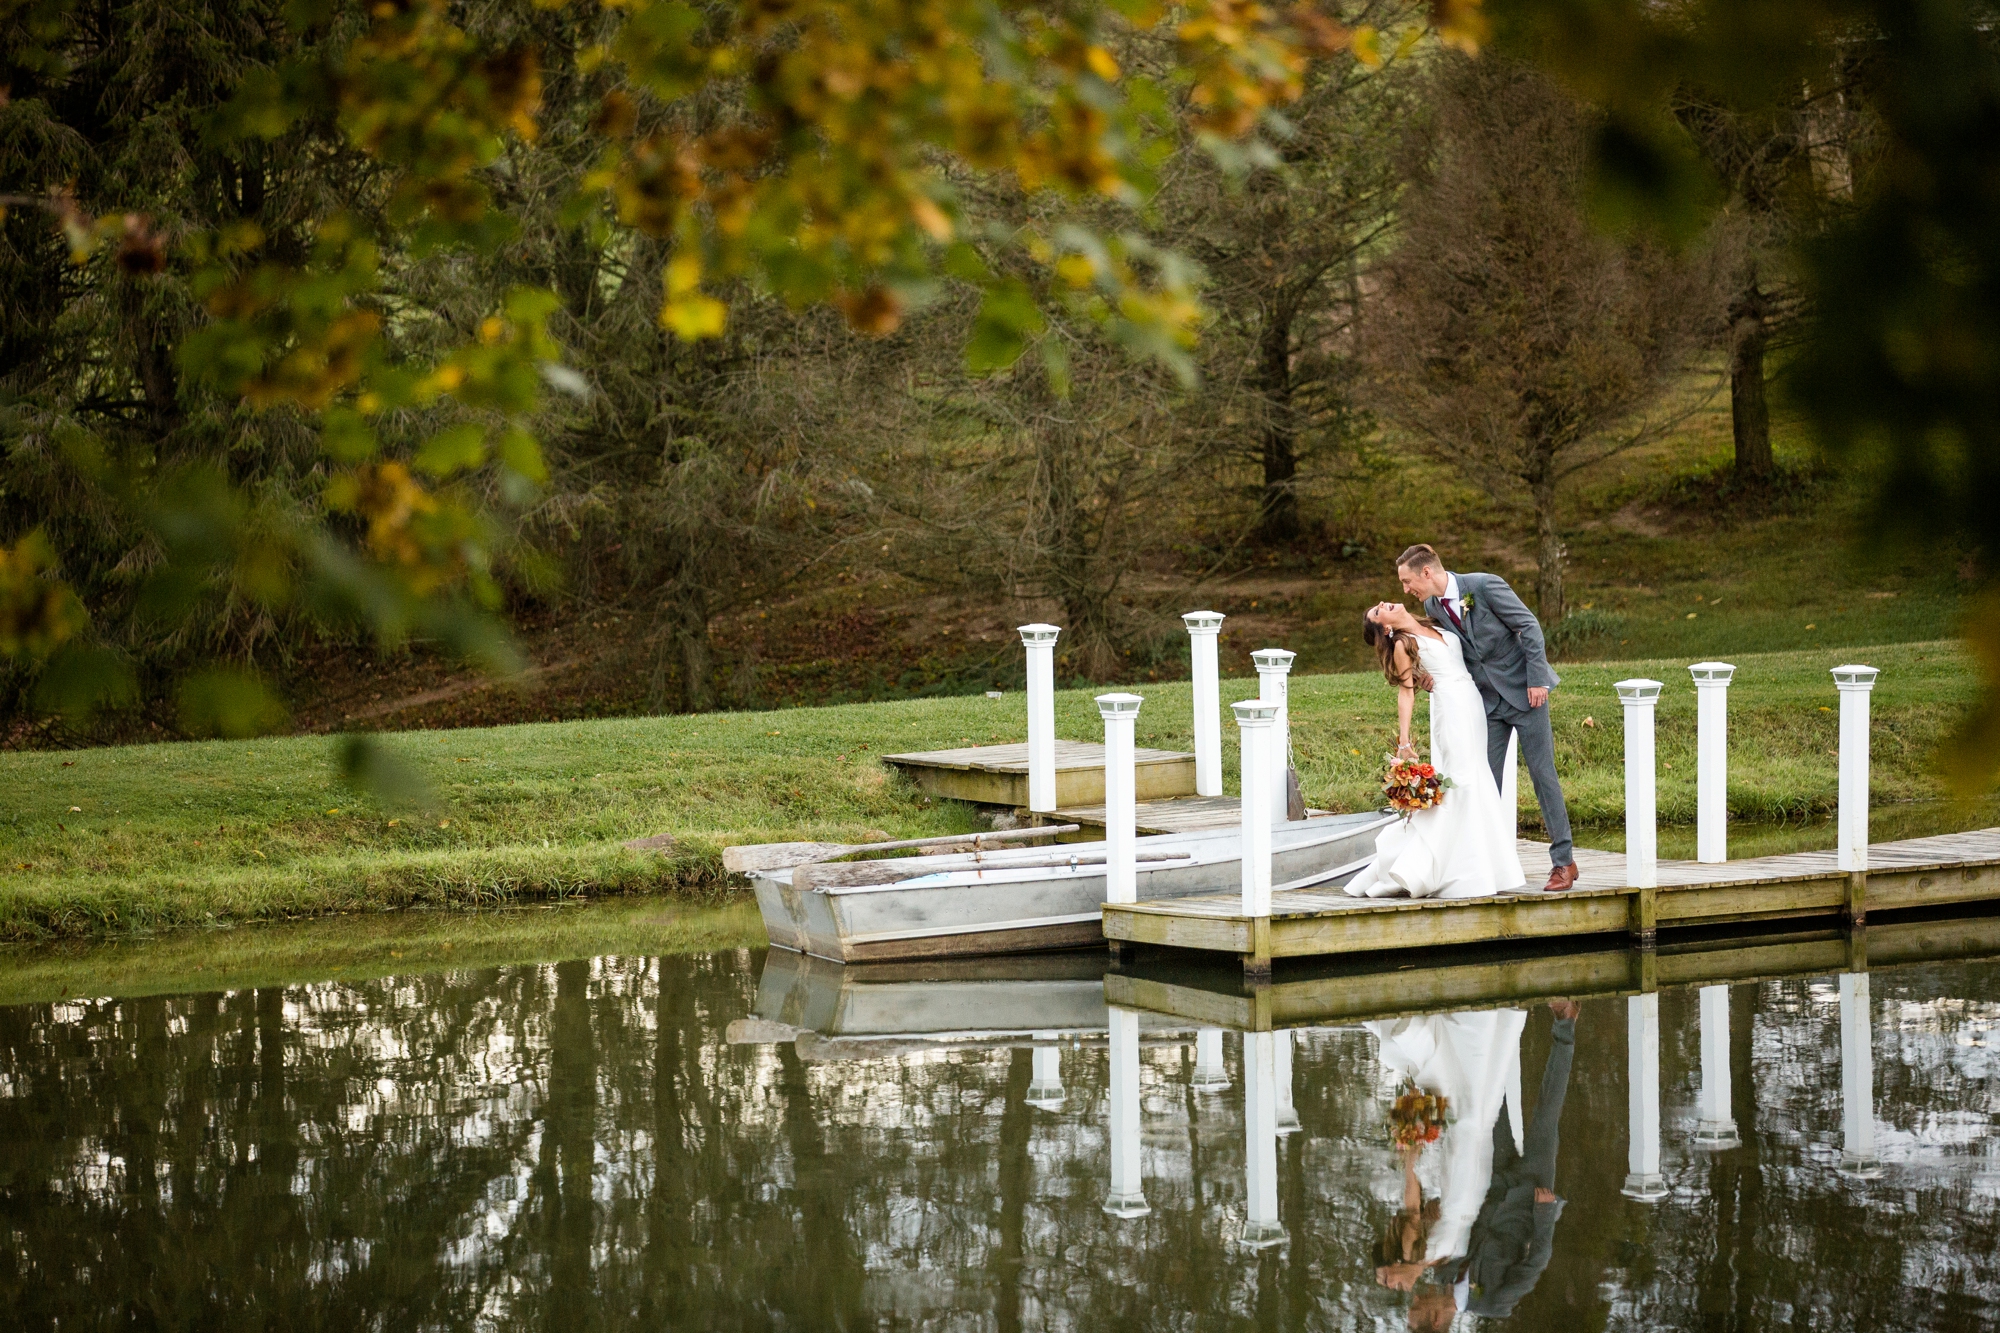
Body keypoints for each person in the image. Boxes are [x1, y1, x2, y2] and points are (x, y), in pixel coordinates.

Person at [1396, 544, 1578, 894]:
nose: (1406, 590)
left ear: (1426, 573)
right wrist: (1425, 675)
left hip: (1526, 694)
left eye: (1407, 581)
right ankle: (1486, 863)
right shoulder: (1432, 606)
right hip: (1486, 704)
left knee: (1542, 774)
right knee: (1483, 782)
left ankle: (1563, 862)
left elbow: (1528, 625)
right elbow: (1442, 648)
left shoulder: (1483, 586)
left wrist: (1537, 678)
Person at [1345, 600, 1525, 899]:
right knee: (1462, 781)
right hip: (1451, 710)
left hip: (1472, 703)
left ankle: (1482, 866)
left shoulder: (1430, 623)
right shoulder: (1404, 644)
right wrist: (1404, 743)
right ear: (1386, 628)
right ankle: (1449, 870)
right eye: (1377, 612)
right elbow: (1406, 692)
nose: (1380, 604)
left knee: (1476, 778)